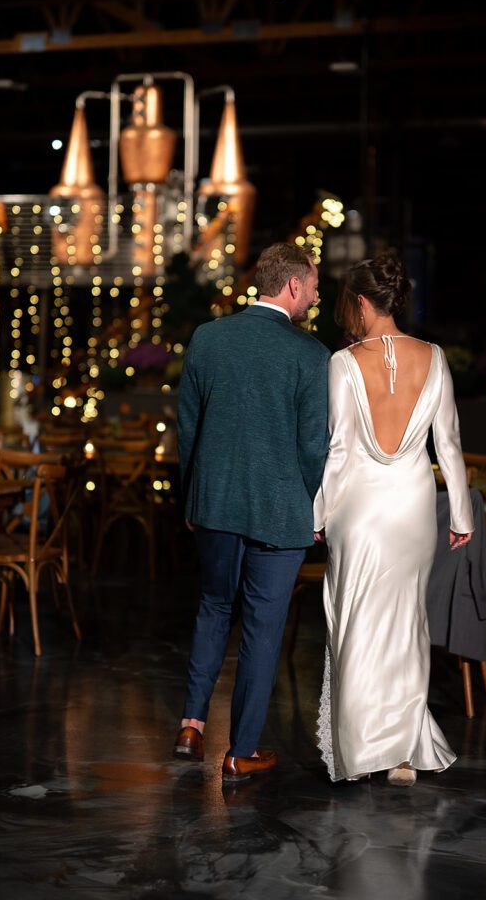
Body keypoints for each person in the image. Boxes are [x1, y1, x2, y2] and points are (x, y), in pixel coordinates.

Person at [314, 252, 473, 786]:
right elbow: (448, 442)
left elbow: (338, 451)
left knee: (356, 621)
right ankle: (403, 754)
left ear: (361, 302)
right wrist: (464, 515)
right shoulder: (435, 356)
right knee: (407, 626)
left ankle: (360, 752)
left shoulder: (343, 362)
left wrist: (318, 513)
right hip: (412, 506)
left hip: (357, 509)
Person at [173, 242, 330, 783]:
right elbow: (315, 447)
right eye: (312, 285)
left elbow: (187, 427)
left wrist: (191, 494)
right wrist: (307, 501)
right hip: (281, 510)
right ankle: (240, 752)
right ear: (291, 286)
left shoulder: (207, 338)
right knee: (263, 630)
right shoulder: (312, 355)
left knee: (214, 607)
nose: (315, 294)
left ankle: (191, 723)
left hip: (213, 502)